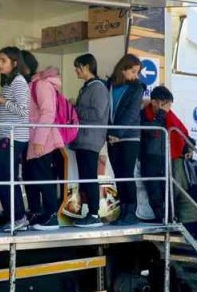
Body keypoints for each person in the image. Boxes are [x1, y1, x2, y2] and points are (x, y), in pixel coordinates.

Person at [0, 47, 31, 232]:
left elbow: (23, 111)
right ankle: (17, 217)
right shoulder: (7, 83)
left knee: (1, 174)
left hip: (15, 136)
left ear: (15, 63)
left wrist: (2, 101)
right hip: (6, 134)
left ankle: (18, 216)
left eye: (3, 60)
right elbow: (6, 112)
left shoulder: (19, 82)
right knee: (6, 176)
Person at [24, 53, 66, 231]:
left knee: (43, 177)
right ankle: (41, 214)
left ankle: (51, 216)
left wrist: (39, 139)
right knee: (34, 177)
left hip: (43, 140)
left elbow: (47, 112)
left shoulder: (41, 85)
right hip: (34, 138)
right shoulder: (33, 84)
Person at [140, 86, 191, 224]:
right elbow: (150, 131)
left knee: (168, 191)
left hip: (167, 159)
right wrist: (162, 113)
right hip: (149, 159)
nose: (167, 109)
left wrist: (187, 148)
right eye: (164, 105)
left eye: (168, 105)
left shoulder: (169, 116)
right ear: (154, 102)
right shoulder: (144, 114)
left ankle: (168, 218)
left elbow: (182, 132)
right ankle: (160, 219)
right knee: (154, 192)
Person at [70, 54, 109, 228]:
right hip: (82, 138)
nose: (76, 71)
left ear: (86, 67)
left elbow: (98, 113)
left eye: (78, 67)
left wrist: (75, 110)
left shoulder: (98, 87)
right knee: (84, 177)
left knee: (89, 176)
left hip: (91, 138)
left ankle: (94, 214)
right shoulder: (87, 87)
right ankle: (88, 212)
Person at [107, 55, 146, 226]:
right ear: (122, 69)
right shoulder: (108, 86)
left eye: (137, 72)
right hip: (112, 137)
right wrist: (110, 133)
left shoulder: (137, 88)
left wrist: (118, 133)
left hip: (129, 137)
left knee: (127, 174)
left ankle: (131, 211)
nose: (135, 76)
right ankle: (122, 210)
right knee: (118, 175)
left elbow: (131, 113)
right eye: (132, 71)